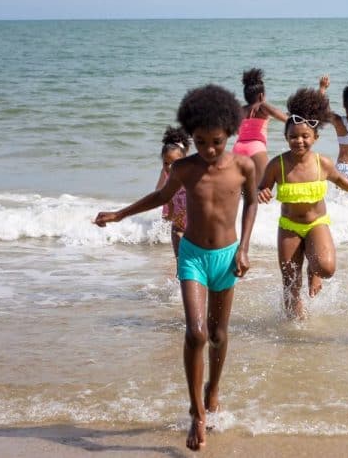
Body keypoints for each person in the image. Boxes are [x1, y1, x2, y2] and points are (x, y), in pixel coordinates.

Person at [94, 85, 257, 450]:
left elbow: (251, 204)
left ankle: (213, 389)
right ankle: (197, 412)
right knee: (195, 333)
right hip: (193, 255)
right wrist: (120, 214)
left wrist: (244, 248)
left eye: (215, 141)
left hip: (227, 257)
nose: (209, 149)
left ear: (229, 134)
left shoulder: (244, 166)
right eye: (200, 141)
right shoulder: (184, 168)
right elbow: (159, 197)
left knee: (218, 333)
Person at [258, 86, 348, 319]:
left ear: (315, 137)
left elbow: (341, 181)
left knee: (326, 268)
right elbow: (262, 187)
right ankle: (296, 329)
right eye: (293, 136)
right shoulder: (278, 165)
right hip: (289, 227)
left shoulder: (322, 163)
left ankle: (313, 270)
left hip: (317, 223)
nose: (299, 141)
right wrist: (261, 192)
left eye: (305, 136)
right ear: (286, 137)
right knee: (290, 285)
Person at [231, 68, 287, 184]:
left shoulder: (240, 110)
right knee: (262, 188)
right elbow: (285, 119)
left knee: (240, 190)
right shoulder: (262, 106)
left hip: (238, 148)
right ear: (262, 95)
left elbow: (236, 131)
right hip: (256, 147)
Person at [154, 126, 191, 258]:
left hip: (189, 217)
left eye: (174, 162)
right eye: (165, 162)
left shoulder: (189, 176)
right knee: (178, 251)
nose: (169, 167)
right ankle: (179, 271)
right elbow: (160, 191)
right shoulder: (165, 173)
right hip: (175, 216)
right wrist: (169, 210)